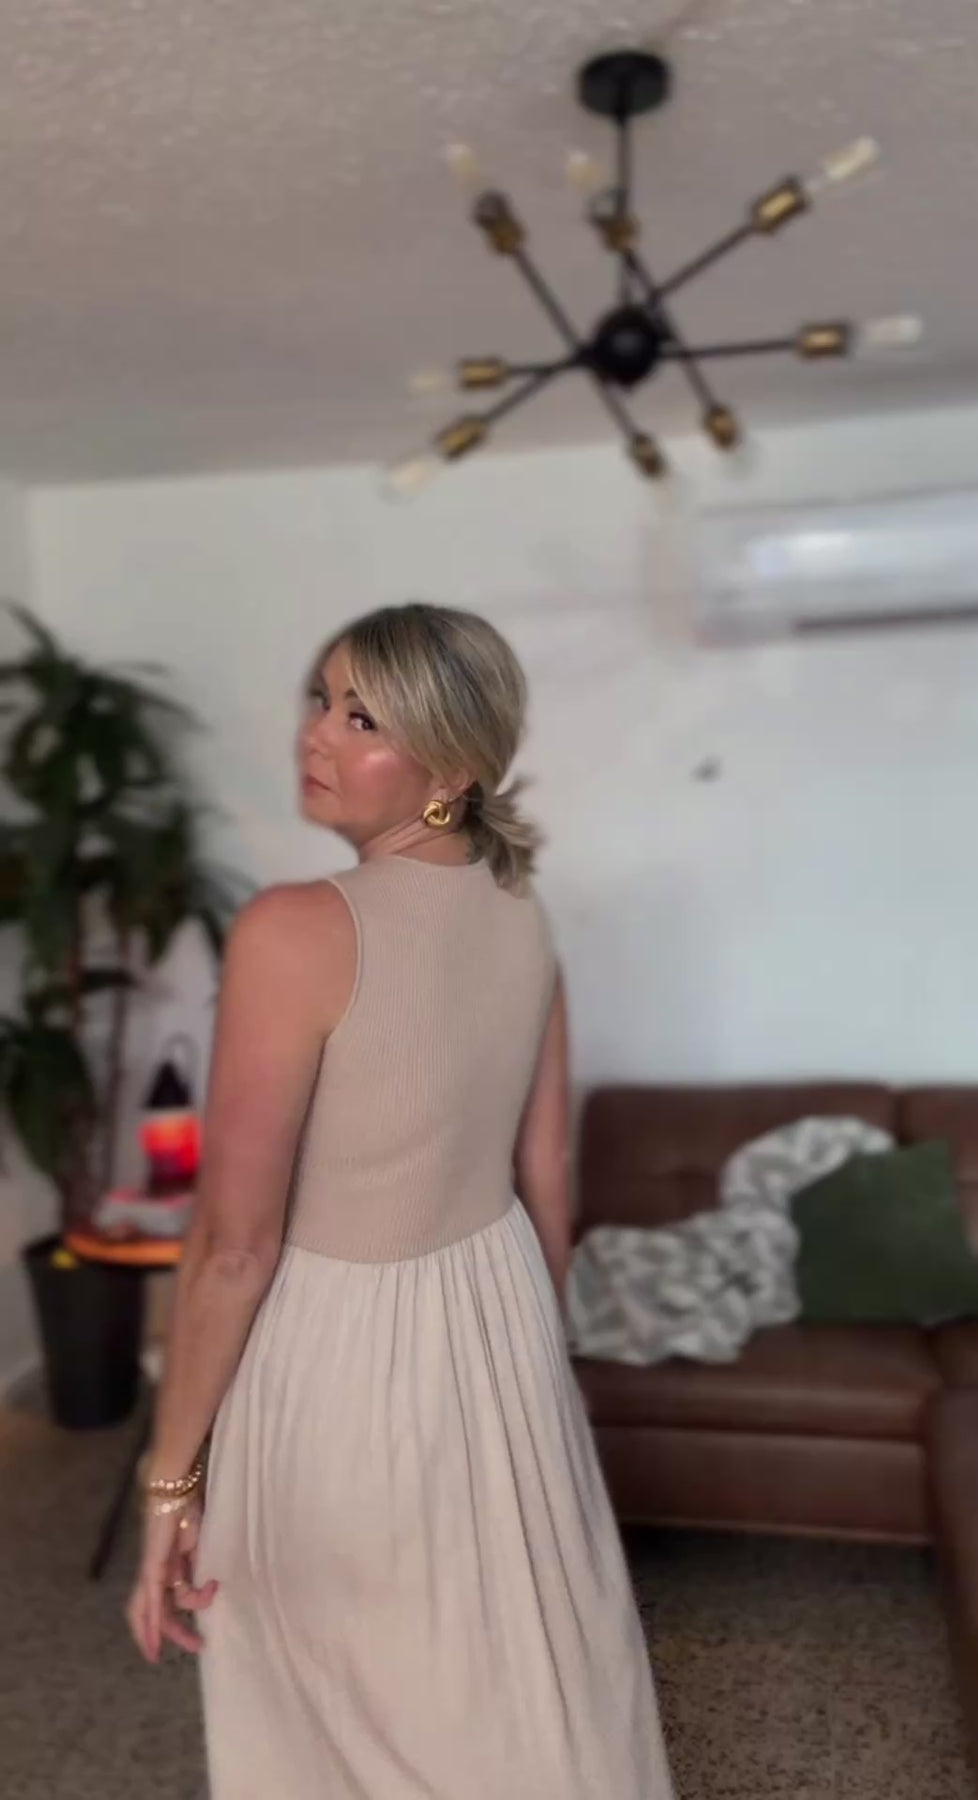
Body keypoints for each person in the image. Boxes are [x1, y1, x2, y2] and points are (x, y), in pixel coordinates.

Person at [127, 602, 674, 1798]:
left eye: (363, 718)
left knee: (337, 1700)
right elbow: (545, 1171)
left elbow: (234, 1246)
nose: (316, 734)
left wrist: (170, 1481)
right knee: (503, 1670)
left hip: (343, 1350)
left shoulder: (294, 930)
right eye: (320, 700)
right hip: (495, 1307)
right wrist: (535, 1358)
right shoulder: (522, 912)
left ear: (453, 771)